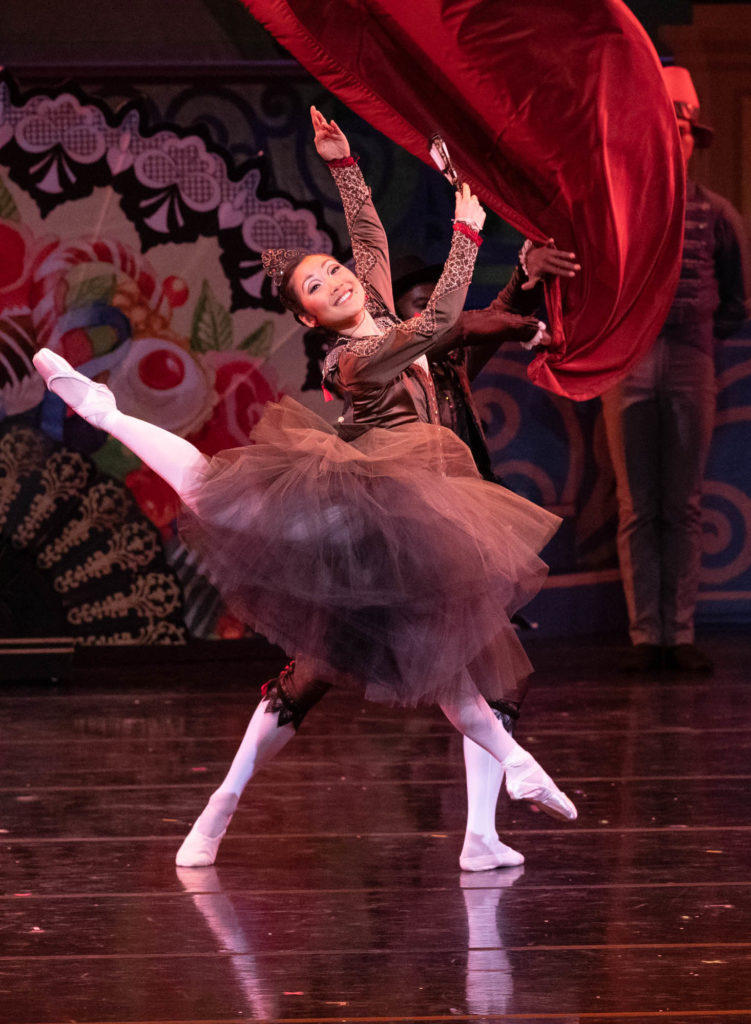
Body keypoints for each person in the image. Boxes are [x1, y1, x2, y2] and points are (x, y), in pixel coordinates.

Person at [34, 107, 577, 875]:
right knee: (211, 493)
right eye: (315, 286)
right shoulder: (354, 360)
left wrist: (342, 162)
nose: (336, 279)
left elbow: (369, 241)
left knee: (452, 658)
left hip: (419, 525)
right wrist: (465, 229)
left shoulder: (377, 309)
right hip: (359, 515)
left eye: (332, 269)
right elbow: (440, 319)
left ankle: (490, 815)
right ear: (305, 316)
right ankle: (104, 412)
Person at [601, 66, 750, 675]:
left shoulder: (717, 214)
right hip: (630, 361)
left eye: (684, 131)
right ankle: (646, 637)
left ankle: (678, 631)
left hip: (691, 358)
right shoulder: (619, 210)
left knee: (682, 503)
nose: (676, 139)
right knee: (638, 504)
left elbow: (735, 301)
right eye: (666, 129)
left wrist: (695, 341)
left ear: (693, 141)